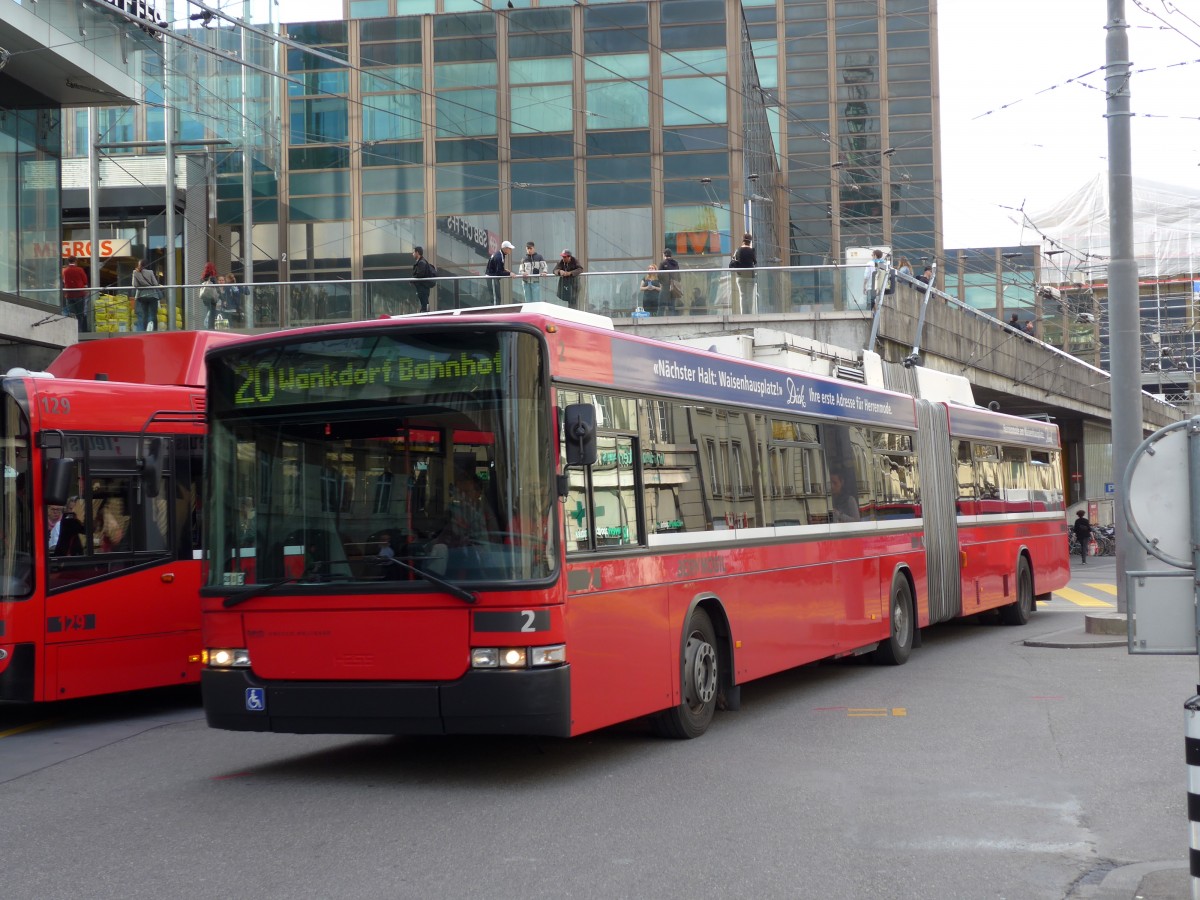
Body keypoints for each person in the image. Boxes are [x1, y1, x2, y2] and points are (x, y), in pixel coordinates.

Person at [729, 232, 757, 313]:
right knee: (750, 296)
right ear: (750, 241)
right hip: (750, 276)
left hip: (740, 276)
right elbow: (755, 262)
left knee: (742, 296)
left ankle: (743, 314)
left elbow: (733, 261)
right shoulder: (751, 251)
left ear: (743, 240)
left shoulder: (738, 250)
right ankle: (750, 313)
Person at [131, 259, 162, 332]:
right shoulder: (150, 272)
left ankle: (145, 330)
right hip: (152, 295)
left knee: (145, 314)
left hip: (142, 296)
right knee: (153, 314)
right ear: (146, 265)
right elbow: (155, 283)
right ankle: (154, 330)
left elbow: (134, 285)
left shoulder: (135, 272)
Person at [61, 256, 90, 331]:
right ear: (76, 261)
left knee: (72, 313)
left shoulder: (65, 271)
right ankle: (79, 330)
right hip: (79, 294)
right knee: (80, 313)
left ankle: (72, 329)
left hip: (69, 294)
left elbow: (64, 281)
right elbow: (85, 281)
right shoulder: (79, 270)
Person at [486, 240, 514, 304]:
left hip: (493, 277)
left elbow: (497, 268)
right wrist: (509, 273)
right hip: (492, 278)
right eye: (509, 249)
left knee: (497, 296)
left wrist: (504, 270)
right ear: (505, 248)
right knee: (495, 298)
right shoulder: (499, 256)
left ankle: (496, 311)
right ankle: (495, 312)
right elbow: (498, 272)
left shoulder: (500, 254)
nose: (510, 250)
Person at [412, 246, 436, 312]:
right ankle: (425, 314)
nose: (412, 254)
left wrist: (412, 279)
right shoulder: (421, 262)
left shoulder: (421, 262)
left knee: (424, 304)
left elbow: (420, 274)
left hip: (423, 286)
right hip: (423, 286)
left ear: (417, 253)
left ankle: (425, 315)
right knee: (424, 303)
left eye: (413, 252)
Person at [659, 248, 682, 313]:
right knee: (672, 306)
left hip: (665, 286)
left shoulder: (663, 263)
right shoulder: (676, 263)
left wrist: (662, 282)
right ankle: (672, 319)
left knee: (661, 305)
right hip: (673, 287)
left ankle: (659, 320)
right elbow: (679, 276)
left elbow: (659, 275)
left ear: (664, 255)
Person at [199, 262, 220, 329]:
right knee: (212, 313)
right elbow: (217, 289)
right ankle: (211, 327)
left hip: (205, 298)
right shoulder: (213, 278)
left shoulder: (202, 278)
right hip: (212, 298)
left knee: (207, 312)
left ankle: (206, 327)